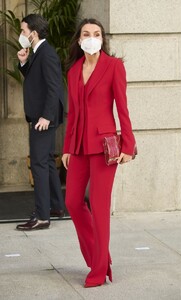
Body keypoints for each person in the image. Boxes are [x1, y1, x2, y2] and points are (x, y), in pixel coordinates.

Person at [62, 18, 136, 287]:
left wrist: (128, 145)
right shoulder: (73, 72)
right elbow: (72, 114)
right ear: (79, 40)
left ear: (102, 39)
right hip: (79, 146)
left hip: (106, 148)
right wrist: (68, 148)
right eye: (86, 34)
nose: (92, 37)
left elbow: (122, 108)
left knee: (99, 206)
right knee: (72, 201)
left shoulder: (114, 67)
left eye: (96, 34)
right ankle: (100, 255)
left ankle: (97, 270)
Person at [16, 14, 64, 231]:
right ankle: (55, 206)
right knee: (45, 160)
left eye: (23, 31)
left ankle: (42, 217)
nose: (21, 35)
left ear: (33, 33)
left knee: (38, 163)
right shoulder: (39, 52)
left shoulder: (47, 54)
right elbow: (36, 80)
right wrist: (24, 63)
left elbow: (55, 88)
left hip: (43, 119)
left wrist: (46, 116)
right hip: (41, 117)